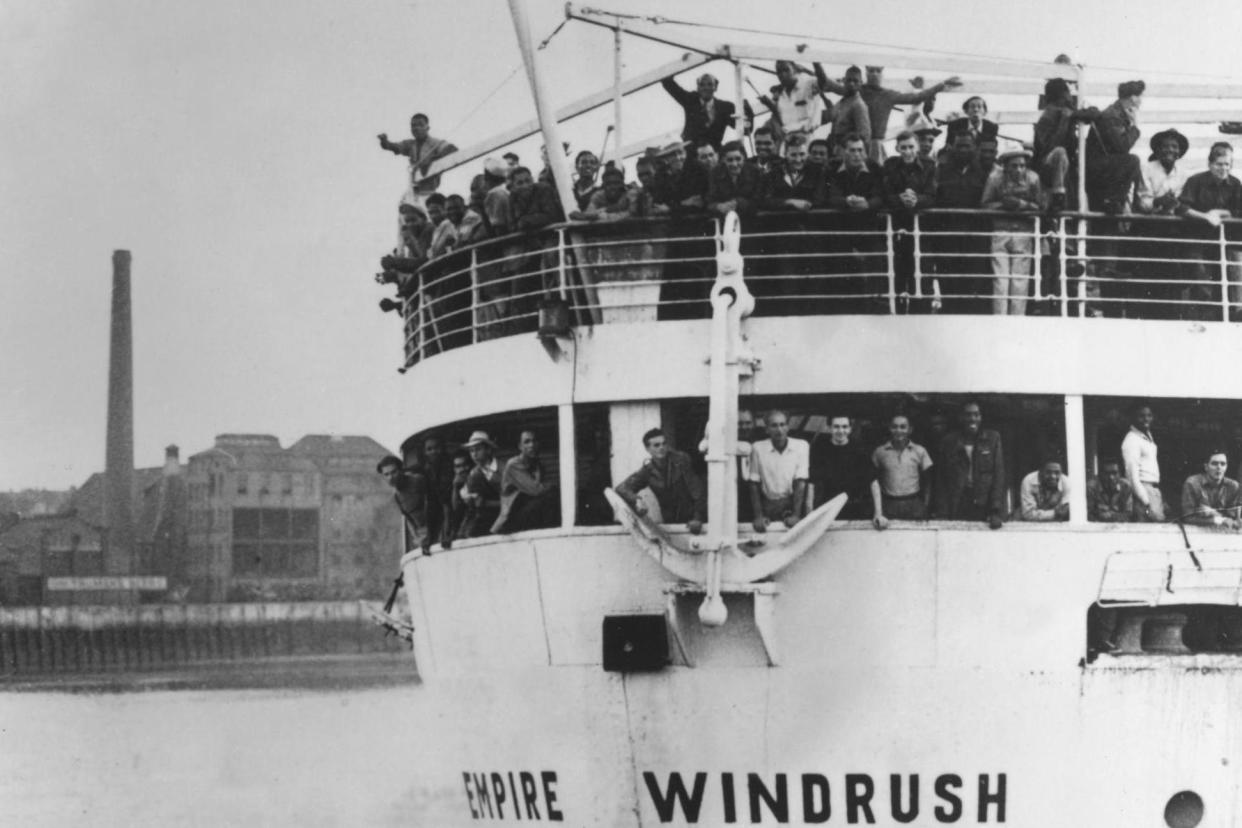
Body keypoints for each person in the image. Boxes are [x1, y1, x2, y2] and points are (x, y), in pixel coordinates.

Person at [820, 65, 961, 162]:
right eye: (871, 70)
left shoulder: (888, 95)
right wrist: (815, 64)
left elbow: (917, 97)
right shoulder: (855, 89)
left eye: (878, 70)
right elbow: (828, 84)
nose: (874, 73)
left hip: (875, 145)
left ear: (883, 73)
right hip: (852, 145)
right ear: (866, 72)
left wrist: (941, 85)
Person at [1178, 142, 1242, 320]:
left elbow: (1240, 210)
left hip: (1224, 241)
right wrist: (1205, 216)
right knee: (1200, 277)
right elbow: (1182, 207)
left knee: (1231, 275)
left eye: (1227, 164)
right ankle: (1204, 317)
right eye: (1219, 164)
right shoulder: (1196, 181)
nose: (1223, 168)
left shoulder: (1235, 184)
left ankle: (1231, 315)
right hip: (1197, 238)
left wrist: (1222, 212)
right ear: (1210, 164)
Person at [981, 149, 1044, 315]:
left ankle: (1017, 321)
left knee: (1020, 281)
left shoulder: (1033, 178)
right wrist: (1003, 205)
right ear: (1005, 167)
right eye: (1014, 166)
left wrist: (1022, 205)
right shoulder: (995, 178)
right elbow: (985, 204)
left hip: (1023, 234)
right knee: (1000, 281)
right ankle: (1000, 320)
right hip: (1000, 233)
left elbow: (1040, 207)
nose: (1018, 170)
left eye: (1022, 166)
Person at [883, 130, 937, 307]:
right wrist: (900, 198)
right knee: (898, 272)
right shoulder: (890, 165)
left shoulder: (929, 166)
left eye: (911, 147)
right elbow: (885, 193)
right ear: (897, 148)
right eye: (903, 147)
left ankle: (921, 317)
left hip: (921, 228)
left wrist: (917, 200)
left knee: (922, 272)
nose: (907, 151)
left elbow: (932, 195)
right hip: (897, 227)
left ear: (917, 147)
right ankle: (897, 315)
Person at [616, 428, 706, 533]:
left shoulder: (681, 461)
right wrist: (636, 499)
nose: (661, 447)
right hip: (671, 523)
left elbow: (697, 491)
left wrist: (697, 517)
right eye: (656, 445)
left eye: (664, 443)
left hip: (695, 521)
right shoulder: (648, 470)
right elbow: (621, 488)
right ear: (647, 449)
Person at [935, 402, 1006, 528]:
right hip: (958, 501)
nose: (972, 419)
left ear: (981, 417)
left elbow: (998, 475)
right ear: (960, 418)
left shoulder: (992, 439)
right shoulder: (949, 441)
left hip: (982, 502)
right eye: (968, 415)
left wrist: (995, 510)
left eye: (976, 415)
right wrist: (943, 511)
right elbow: (941, 479)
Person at [1033, 78, 1094, 213]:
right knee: (1059, 152)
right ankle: (1058, 197)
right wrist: (1064, 122)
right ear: (1060, 97)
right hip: (1046, 166)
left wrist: (1075, 114)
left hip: (1065, 167)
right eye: (1066, 94)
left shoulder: (1067, 111)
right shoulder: (1047, 116)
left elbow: (1093, 113)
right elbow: (1049, 148)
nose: (1069, 99)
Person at [1085, 80, 1145, 214]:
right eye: (1140, 97)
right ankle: (1115, 200)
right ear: (1133, 98)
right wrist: (1135, 126)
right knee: (1133, 160)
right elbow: (1122, 147)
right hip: (1097, 168)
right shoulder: (1112, 116)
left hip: (1103, 167)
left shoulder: (1117, 113)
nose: (1141, 101)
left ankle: (1118, 201)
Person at [748, 410, 810, 531]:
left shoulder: (801, 446)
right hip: (768, 505)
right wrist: (758, 516)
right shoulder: (758, 448)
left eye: (782, 424)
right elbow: (753, 483)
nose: (779, 429)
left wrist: (796, 515)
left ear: (788, 427)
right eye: (774, 425)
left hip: (792, 505)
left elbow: (800, 482)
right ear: (767, 429)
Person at [871, 414, 933, 529]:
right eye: (894, 427)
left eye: (903, 427)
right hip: (889, 504)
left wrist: (925, 504)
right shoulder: (879, 452)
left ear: (910, 429)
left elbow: (928, 480)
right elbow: (874, 479)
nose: (898, 430)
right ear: (889, 428)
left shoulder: (920, 451)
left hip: (913, 504)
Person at [377, 113, 458, 202]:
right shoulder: (410, 144)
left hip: (429, 191)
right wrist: (384, 142)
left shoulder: (435, 143)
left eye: (420, 125)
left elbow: (453, 149)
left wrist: (433, 160)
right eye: (413, 125)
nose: (416, 128)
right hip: (414, 190)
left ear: (427, 128)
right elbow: (394, 147)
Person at [492, 431, 559, 533]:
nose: (531, 445)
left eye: (534, 441)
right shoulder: (513, 464)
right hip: (511, 517)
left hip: (529, 511)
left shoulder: (538, 466)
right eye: (527, 442)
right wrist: (552, 487)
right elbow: (536, 490)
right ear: (520, 446)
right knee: (551, 495)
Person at [808, 414, 873, 520]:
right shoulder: (820, 450)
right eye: (836, 426)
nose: (841, 431)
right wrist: (809, 513)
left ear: (850, 429)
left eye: (844, 427)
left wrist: (878, 513)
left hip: (856, 508)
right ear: (829, 428)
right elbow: (811, 483)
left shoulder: (859, 449)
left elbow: (873, 481)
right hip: (828, 508)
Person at [661, 72, 737, 151]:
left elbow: (741, 126)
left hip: (714, 152)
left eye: (710, 84)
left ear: (716, 87)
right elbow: (668, 83)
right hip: (692, 152)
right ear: (697, 87)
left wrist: (746, 109)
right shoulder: (690, 100)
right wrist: (677, 66)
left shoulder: (726, 107)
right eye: (702, 85)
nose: (706, 88)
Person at [758, 61, 828, 140]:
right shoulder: (781, 94)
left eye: (786, 70)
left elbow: (823, 82)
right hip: (787, 140)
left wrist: (815, 61)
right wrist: (770, 105)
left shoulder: (808, 83)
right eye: (779, 72)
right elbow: (781, 117)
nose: (783, 74)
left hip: (805, 138)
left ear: (794, 70)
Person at [377, 454, 432, 554]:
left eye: (394, 472)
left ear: (401, 470)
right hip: (422, 535)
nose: (391, 477)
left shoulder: (417, 481)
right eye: (386, 474)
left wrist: (430, 534)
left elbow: (433, 504)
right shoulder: (397, 496)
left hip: (436, 528)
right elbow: (409, 519)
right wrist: (417, 538)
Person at [1121, 403, 1163, 521]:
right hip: (1142, 491)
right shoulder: (1132, 440)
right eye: (1141, 416)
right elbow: (1132, 477)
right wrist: (1146, 502)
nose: (1146, 419)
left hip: (1153, 490)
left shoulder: (1147, 437)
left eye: (1149, 415)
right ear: (1133, 418)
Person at [1181, 450, 1242, 529]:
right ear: (1206, 467)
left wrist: (1213, 513)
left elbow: (1233, 518)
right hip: (1196, 533)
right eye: (1214, 463)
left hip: (1225, 533)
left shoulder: (1234, 486)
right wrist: (1219, 519)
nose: (1219, 467)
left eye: (1223, 464)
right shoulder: (1192, 483)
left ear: (1226, 467)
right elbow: (1187, 517)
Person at [708, 141, 768, 218]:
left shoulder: (755, 172)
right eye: (730, 160)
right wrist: (719, 206)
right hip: (725, 218)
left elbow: (759, 200)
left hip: (751, 218)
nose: (734, 164)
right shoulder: (715, 174)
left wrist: (738, 203)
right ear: (723, 160)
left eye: (738, 159)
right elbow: (710, 202)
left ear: (744, 158)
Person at [462, 431, 503, 537]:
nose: (474, 454)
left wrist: (484, 502)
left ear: (488, 450)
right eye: (471, 451)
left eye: (478, 449)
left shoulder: (503, 468)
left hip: (505, 513)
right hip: (485, 516)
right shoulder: (474, 473)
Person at [820, 65, 871, 151]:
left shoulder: (859, 105)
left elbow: (864, 136)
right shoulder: (843, 102)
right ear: (844, 81)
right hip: (834, 147)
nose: (851, 83)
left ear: (861, 83)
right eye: (849, 80)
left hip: (846, 151)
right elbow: (827, 116)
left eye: (855, 81)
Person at [420, 435, 455, 550]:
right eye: (429, 449)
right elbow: (431, 502)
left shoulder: (450, 466)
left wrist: (447, 532)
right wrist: (429, 536)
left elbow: (447, 501)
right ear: (425, 452)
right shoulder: (428, 470)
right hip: (442, 510)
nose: (434, 452)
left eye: (437, 448)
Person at [1086, 459, 1134, 523]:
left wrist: (1112, 516)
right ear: (1100, 474)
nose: (1111, 477)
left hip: (1119, 527)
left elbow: (1129, 514)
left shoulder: (1126, 487)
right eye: (1107, 473)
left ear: (1120, 474)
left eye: (1114, 473)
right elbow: (1087, 514)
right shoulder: (1092, 488)